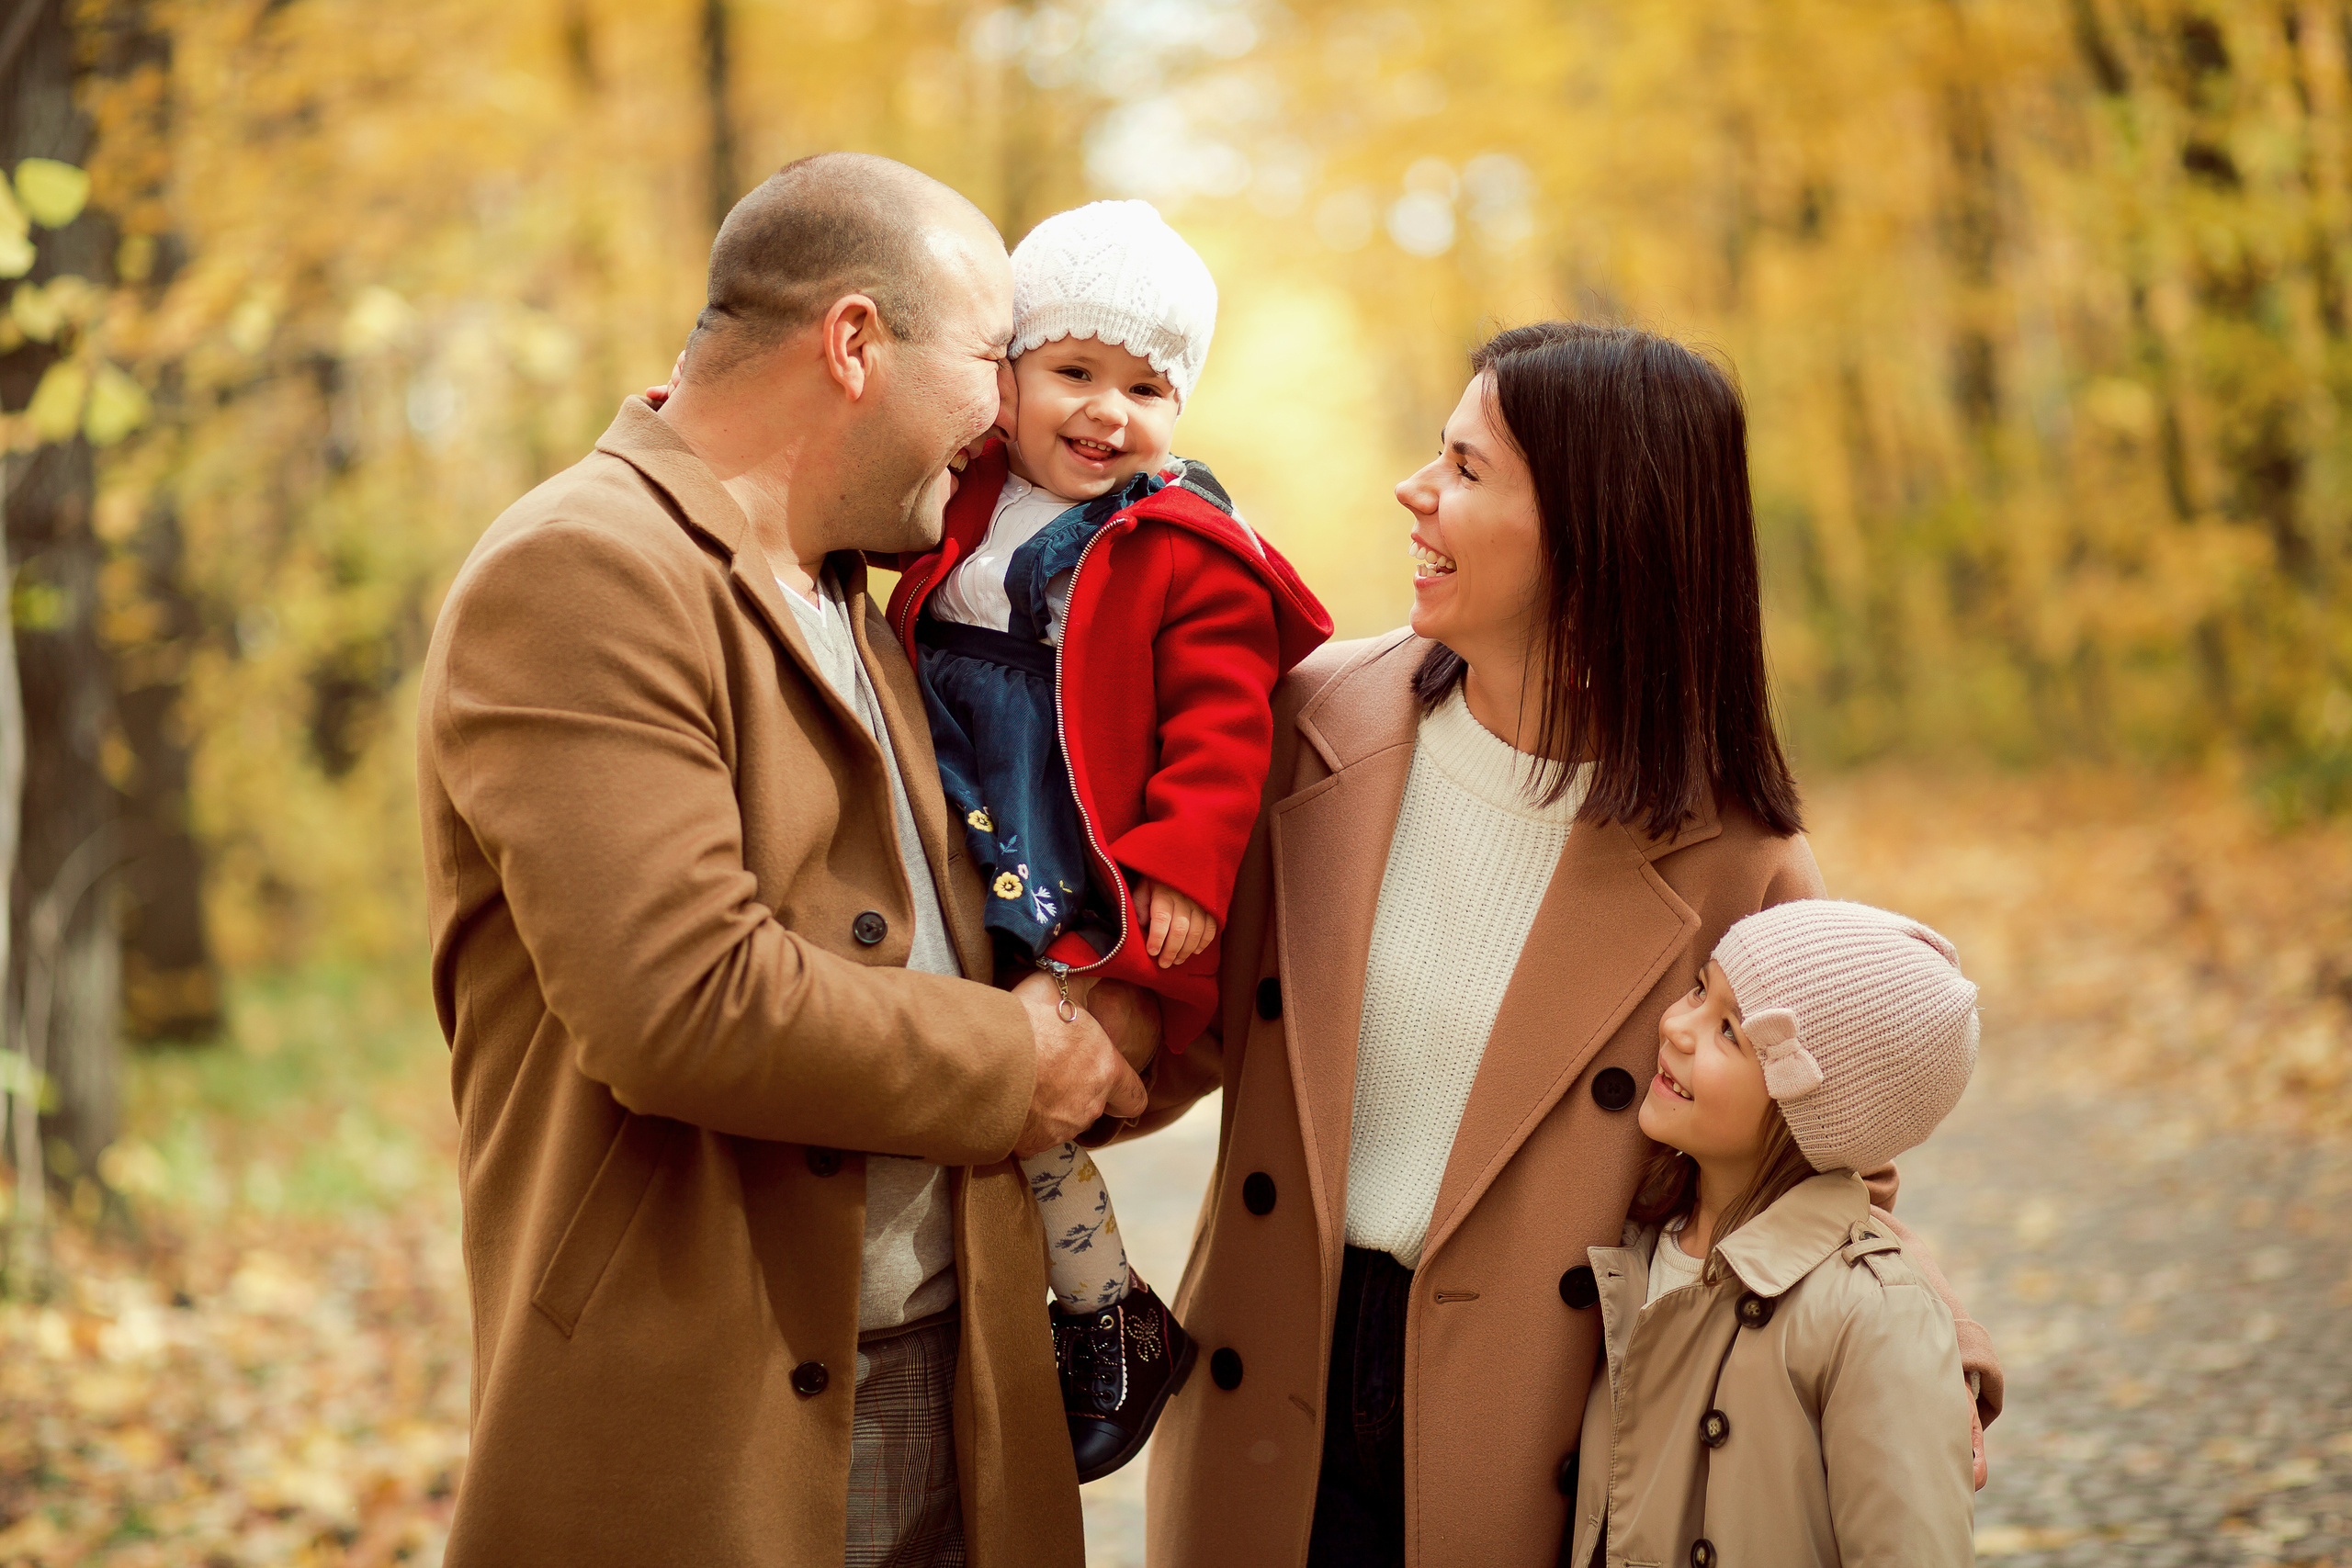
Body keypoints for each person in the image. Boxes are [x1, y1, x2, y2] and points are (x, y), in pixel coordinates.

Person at [1125, 321, 2003, 1568]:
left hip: (1543, 1422)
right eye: (1438, 452)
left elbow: (1816, 1158)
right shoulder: (1307, 720)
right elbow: (1167, 1013)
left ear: (1598, 535)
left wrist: (1936, 1351)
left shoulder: (1733, 849)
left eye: (1469, 470)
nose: (1413, 491)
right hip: (1273, 1380)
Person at [415, 152, 1148, 1568]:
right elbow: (682, 998)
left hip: (958, 1379)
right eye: (994, 361)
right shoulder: (584, 570)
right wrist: (1017, 1059)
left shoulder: (858, 595)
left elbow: (957, 944)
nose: (1011, 413)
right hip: (727, 1407)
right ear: (855, 342)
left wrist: (1123, 1016)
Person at [883, 198, 1331, 1481]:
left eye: (1146, 386)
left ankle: (1100, 1310)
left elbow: (1221, 721)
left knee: (1037, 1082)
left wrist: (1182, 863)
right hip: (952, 810)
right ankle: (1060, 1302)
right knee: (949, 1055)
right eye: (1074, 371)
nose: (1107, 411)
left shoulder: (1184, 550)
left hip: (1077, 846)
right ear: (1008, 375)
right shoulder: (957, 488)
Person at [1569, 898, 1983, 1566]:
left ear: (1814, 1113)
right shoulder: (1639, 1240)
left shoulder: (1871, 1318)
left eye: (1730, 1030)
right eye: (1699, 988)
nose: (1676, 1024)